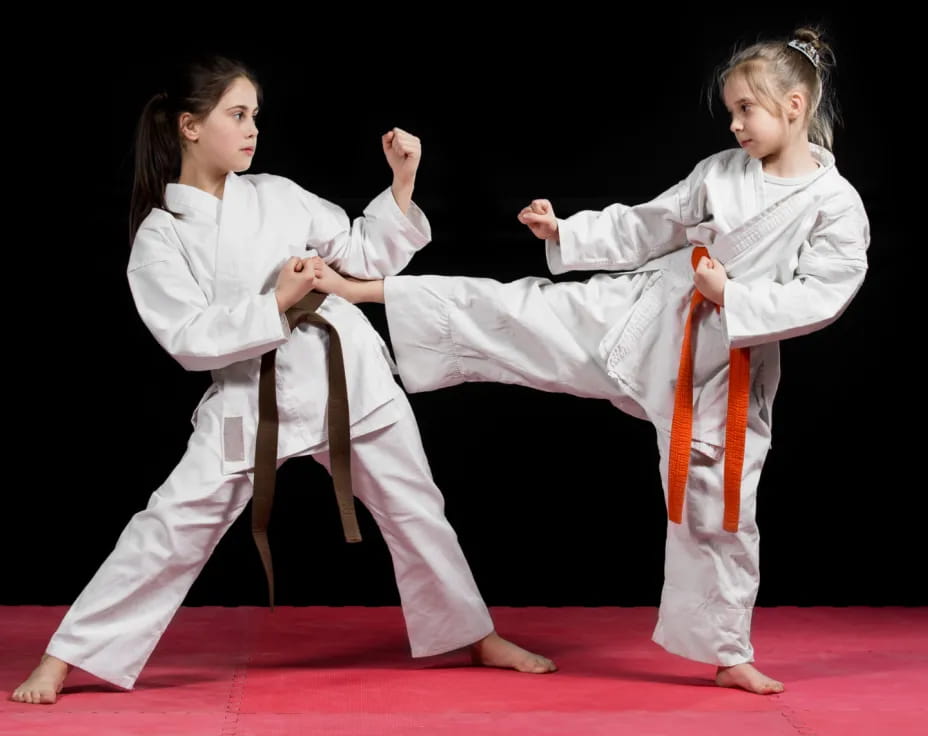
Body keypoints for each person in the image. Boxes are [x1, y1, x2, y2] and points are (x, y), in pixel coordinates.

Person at [312, 27, 869, 695]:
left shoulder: (835, 203)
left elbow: (827, 291)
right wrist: (568, 231)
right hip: (644, 316)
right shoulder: (720, 172)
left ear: (795, 106)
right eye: (731, 109)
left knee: (719, 509)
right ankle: (367, 289)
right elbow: (647, 224)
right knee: (520, 310)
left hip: (725, 365)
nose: (734, 123)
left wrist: (737, 297)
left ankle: (728, 652)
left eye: (746, 109)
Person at [11, 55, 556, 706]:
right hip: (251, 398)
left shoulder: (278, 194)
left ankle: (475, 635)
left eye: (256, 117)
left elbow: (360, 251)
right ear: (189, 126)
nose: (252, 130)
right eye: (237, 116)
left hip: (349, 378)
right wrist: (276, 303)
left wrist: (402, 184)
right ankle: (65, 655)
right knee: (169, 528)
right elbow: (187, 338)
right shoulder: (164, 234)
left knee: (418, 513)